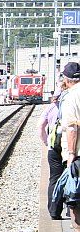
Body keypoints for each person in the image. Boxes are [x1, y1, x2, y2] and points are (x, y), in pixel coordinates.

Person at [59, 62, 80, 232]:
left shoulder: (71, 97)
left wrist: (71, 154)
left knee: (74, 191)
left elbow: (72, 127)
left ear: (67, 79)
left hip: (78, 152)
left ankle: (78, 230)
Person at [40, 80, 65, 219]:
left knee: (54, 178)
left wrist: (46, 141)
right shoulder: (72, 104)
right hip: (70, 147)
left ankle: (54, 211)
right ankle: (71, 209)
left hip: (53, 147)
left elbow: (40, 127)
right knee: (71, 176)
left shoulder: (51, 108)